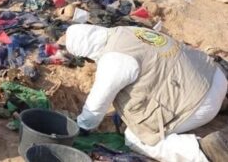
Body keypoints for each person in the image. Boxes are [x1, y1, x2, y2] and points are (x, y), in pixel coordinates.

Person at [65, 24, 227, 162]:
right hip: (214, 76)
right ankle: (222, 103)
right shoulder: (126, 31)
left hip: (202, 102)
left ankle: (204, 151)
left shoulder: (113, 59)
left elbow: (96, 105)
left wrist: (82, 126)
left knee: (136, 138)